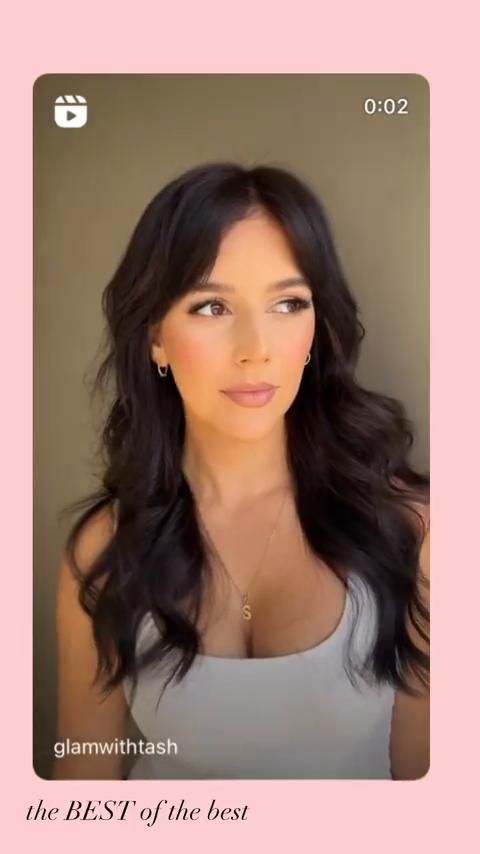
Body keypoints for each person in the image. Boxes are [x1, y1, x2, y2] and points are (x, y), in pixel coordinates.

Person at [52, 161, 429, 781]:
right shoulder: (104, 550)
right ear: (155, 338)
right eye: (212, 307)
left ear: (316, 327)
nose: (256, 348)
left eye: (287, 303)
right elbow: (81, 790)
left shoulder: (411, 531)